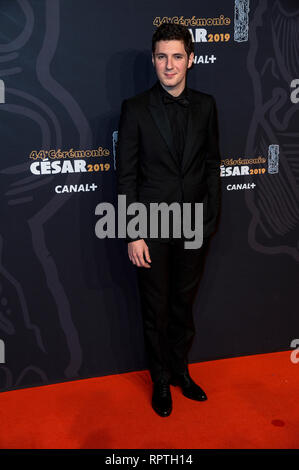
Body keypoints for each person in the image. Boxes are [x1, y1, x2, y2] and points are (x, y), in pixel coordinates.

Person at [116, 23, 221, 417]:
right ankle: (160, 379)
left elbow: (212, 164)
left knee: (182, 304)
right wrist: (133, 232)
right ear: (154, 60)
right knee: (155, 306)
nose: (170, 65)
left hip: (194, 224)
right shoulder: (136, 109)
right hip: (151, 226)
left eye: (177, 56)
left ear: (191, 60)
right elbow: (126, 175)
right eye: (162, 56)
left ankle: (180, 370)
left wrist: (210, 216)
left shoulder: (207, 105)